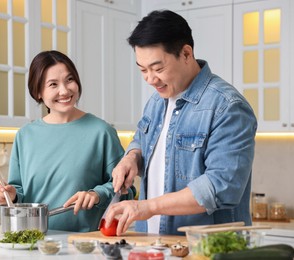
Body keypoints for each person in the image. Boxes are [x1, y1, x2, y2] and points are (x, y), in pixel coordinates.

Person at [105, 10, 257, 236]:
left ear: (186, 53)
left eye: (158, 68)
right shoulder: (157, 101)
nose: (150, 79)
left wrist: (146, 207)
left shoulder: (228, 106)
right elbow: (141, 139)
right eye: (142, 70)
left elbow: (220, 187)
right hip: (154, 243)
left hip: (209, 249)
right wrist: (132, 157)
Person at [0, 50, 134, 232]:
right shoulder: (25, 136)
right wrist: (11, 195)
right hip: (35, 240)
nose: (64, 90)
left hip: (84, 243)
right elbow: (19, 191)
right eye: (53, 84)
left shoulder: (101, 132)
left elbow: (126, 189)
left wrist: (96, 194)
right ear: (38, 92)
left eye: (69, 80)